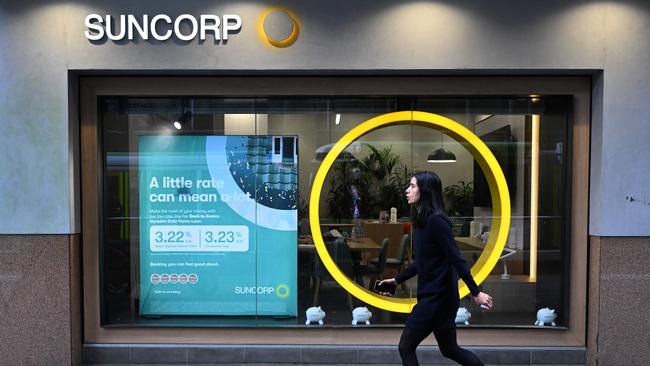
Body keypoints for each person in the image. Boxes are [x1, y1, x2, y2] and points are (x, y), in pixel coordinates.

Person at [377, 171, 493, 366]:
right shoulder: (422, 222)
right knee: (449, 349)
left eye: (412, 186)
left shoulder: (436, 221)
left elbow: (457, 259)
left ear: (426, 190)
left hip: (438, 299)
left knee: (405, 347)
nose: (407, 190)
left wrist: (476, 292)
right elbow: (422, 262)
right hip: (435, 296)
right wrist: (397, 280)